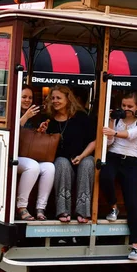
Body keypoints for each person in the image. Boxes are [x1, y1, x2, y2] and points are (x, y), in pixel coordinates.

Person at [100, 92, 137, 261]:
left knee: (132, 203)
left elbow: (132, 135)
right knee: (105, 176)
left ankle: (135, 246)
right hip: (113, 156)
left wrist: (113, 131)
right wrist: (112, 120)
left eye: (130, 107)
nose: (126, 110)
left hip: (130, 161)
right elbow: (109, 143)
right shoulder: (117, 120)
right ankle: (113, 207)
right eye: (124, 106)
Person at [39, 86, 96, 224]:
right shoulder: (49, 119)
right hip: (61, 160)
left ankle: (83, 211)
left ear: (68, 99)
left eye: (58, 98)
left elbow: (94, 141)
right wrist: (42, 132)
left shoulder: (81, 117)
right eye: (52, 98)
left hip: (82, 156)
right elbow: (43, 145)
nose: (55, 101)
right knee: (61, 163)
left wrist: (81, 156)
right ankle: (63, 211)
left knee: (88, 163)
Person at [16, 85, 55, 221]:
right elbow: (11, 132)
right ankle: (21, 206)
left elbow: (30, 138)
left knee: (50, 167)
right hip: (13, 155)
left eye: (30, 97)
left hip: (29, 154)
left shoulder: (34, 115)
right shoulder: (11, 111)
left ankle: (40, 207)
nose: (27, 100)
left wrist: (40, 130)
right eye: (24, 97)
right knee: (33, 166)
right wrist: (25, 117)